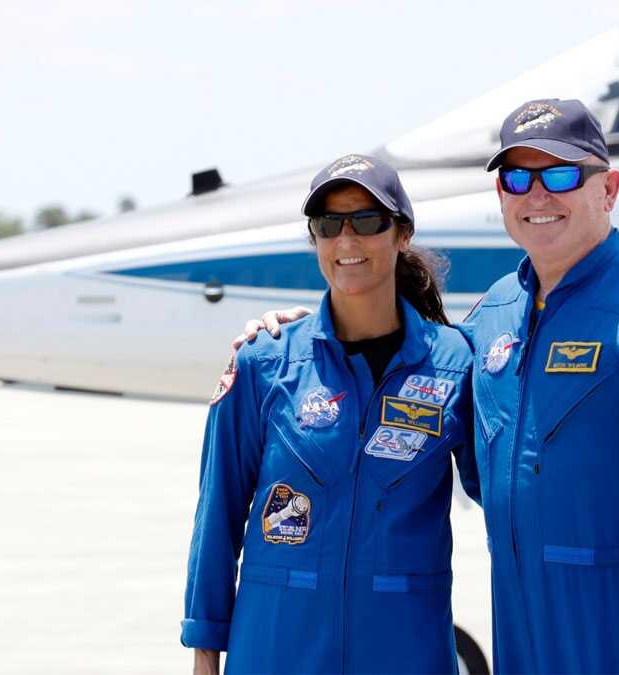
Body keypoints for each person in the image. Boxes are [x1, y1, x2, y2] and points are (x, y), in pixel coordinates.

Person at [241, 100, 619, 675]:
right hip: (523, 627)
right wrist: (304, 332)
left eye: (560, 174)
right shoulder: (491, 319)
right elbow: (410, 372)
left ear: (608, 189)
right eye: (516, 178)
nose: (537, 195)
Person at [181, 153, 480, 674]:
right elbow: (218, 515)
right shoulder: (264, 361)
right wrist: (205, 650)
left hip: (402, 647)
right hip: (277, 646)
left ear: (402, 233)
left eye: (367, 221)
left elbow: (511, 502)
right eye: (328, 224)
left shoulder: (456, 364)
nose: (346, 241)